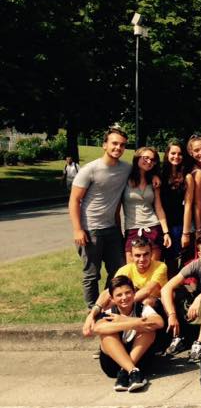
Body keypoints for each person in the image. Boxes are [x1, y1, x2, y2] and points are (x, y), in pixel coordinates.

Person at [70, 127, 129, 309]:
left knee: (118, 272)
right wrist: (78, 229)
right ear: (105, 145)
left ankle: (107, 305)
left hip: (112, 229)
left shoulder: (126, 169)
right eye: (114, 143)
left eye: (122, 145)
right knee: (91, 274)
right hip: (90, 230)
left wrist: (156, 178)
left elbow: (144, 171)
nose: (118, 148)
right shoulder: (90, 169)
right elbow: (74, 200)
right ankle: (92, 311)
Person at [86, 275, 163, 392]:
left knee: (149, 330)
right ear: (112, 299)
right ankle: (132, 371)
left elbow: (159, 322)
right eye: (119, 295)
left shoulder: (143, 308)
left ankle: (125, 371)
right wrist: (132, 324)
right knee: (107, 335)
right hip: (112, 366)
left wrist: (125, 320)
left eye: (128, 293)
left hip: (140, 360)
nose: (124, 297)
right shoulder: (110, 312)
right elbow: (97, 328)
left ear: (134, 293)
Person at [82, 239, 169, 338]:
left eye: (146, 254)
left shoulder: (160, 266)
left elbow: (147, 291)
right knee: (109, 301)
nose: (142, 259)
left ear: (151, 254)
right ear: (131, 256)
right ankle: (112, 336)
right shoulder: (125, 269)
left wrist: (122, 302)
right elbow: (108, 292)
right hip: (134, 304)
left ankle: (143, 338)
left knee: (146, 301)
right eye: (137, 255)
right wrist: (93, 314)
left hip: (156, 306)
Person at [122, 146, 172, 263]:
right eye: (146, 158)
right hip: (132, 228)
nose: (149, 162)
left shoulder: (154, 181)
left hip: (153, 227)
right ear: (137, 158)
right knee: (133, 271)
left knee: (153, 271)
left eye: (153, 160)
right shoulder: (125, 178)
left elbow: (158, 208)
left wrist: (166, 232)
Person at [159, 140, 191, 274]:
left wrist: (185, 233)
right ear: (167, 154)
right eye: (173, 153)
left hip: (177, 225)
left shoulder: (187, 177)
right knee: (158, 261)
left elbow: (188, 205)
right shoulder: (159, 174)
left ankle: (173, 291)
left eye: (180, 154)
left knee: (173, 261)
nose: (176, 156)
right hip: (160, 223)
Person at [184, 135, 201, 253]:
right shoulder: (198, 173)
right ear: (190, 153)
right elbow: (197, 203)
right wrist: (199, 230)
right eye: (196, 150)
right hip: (196, 221)